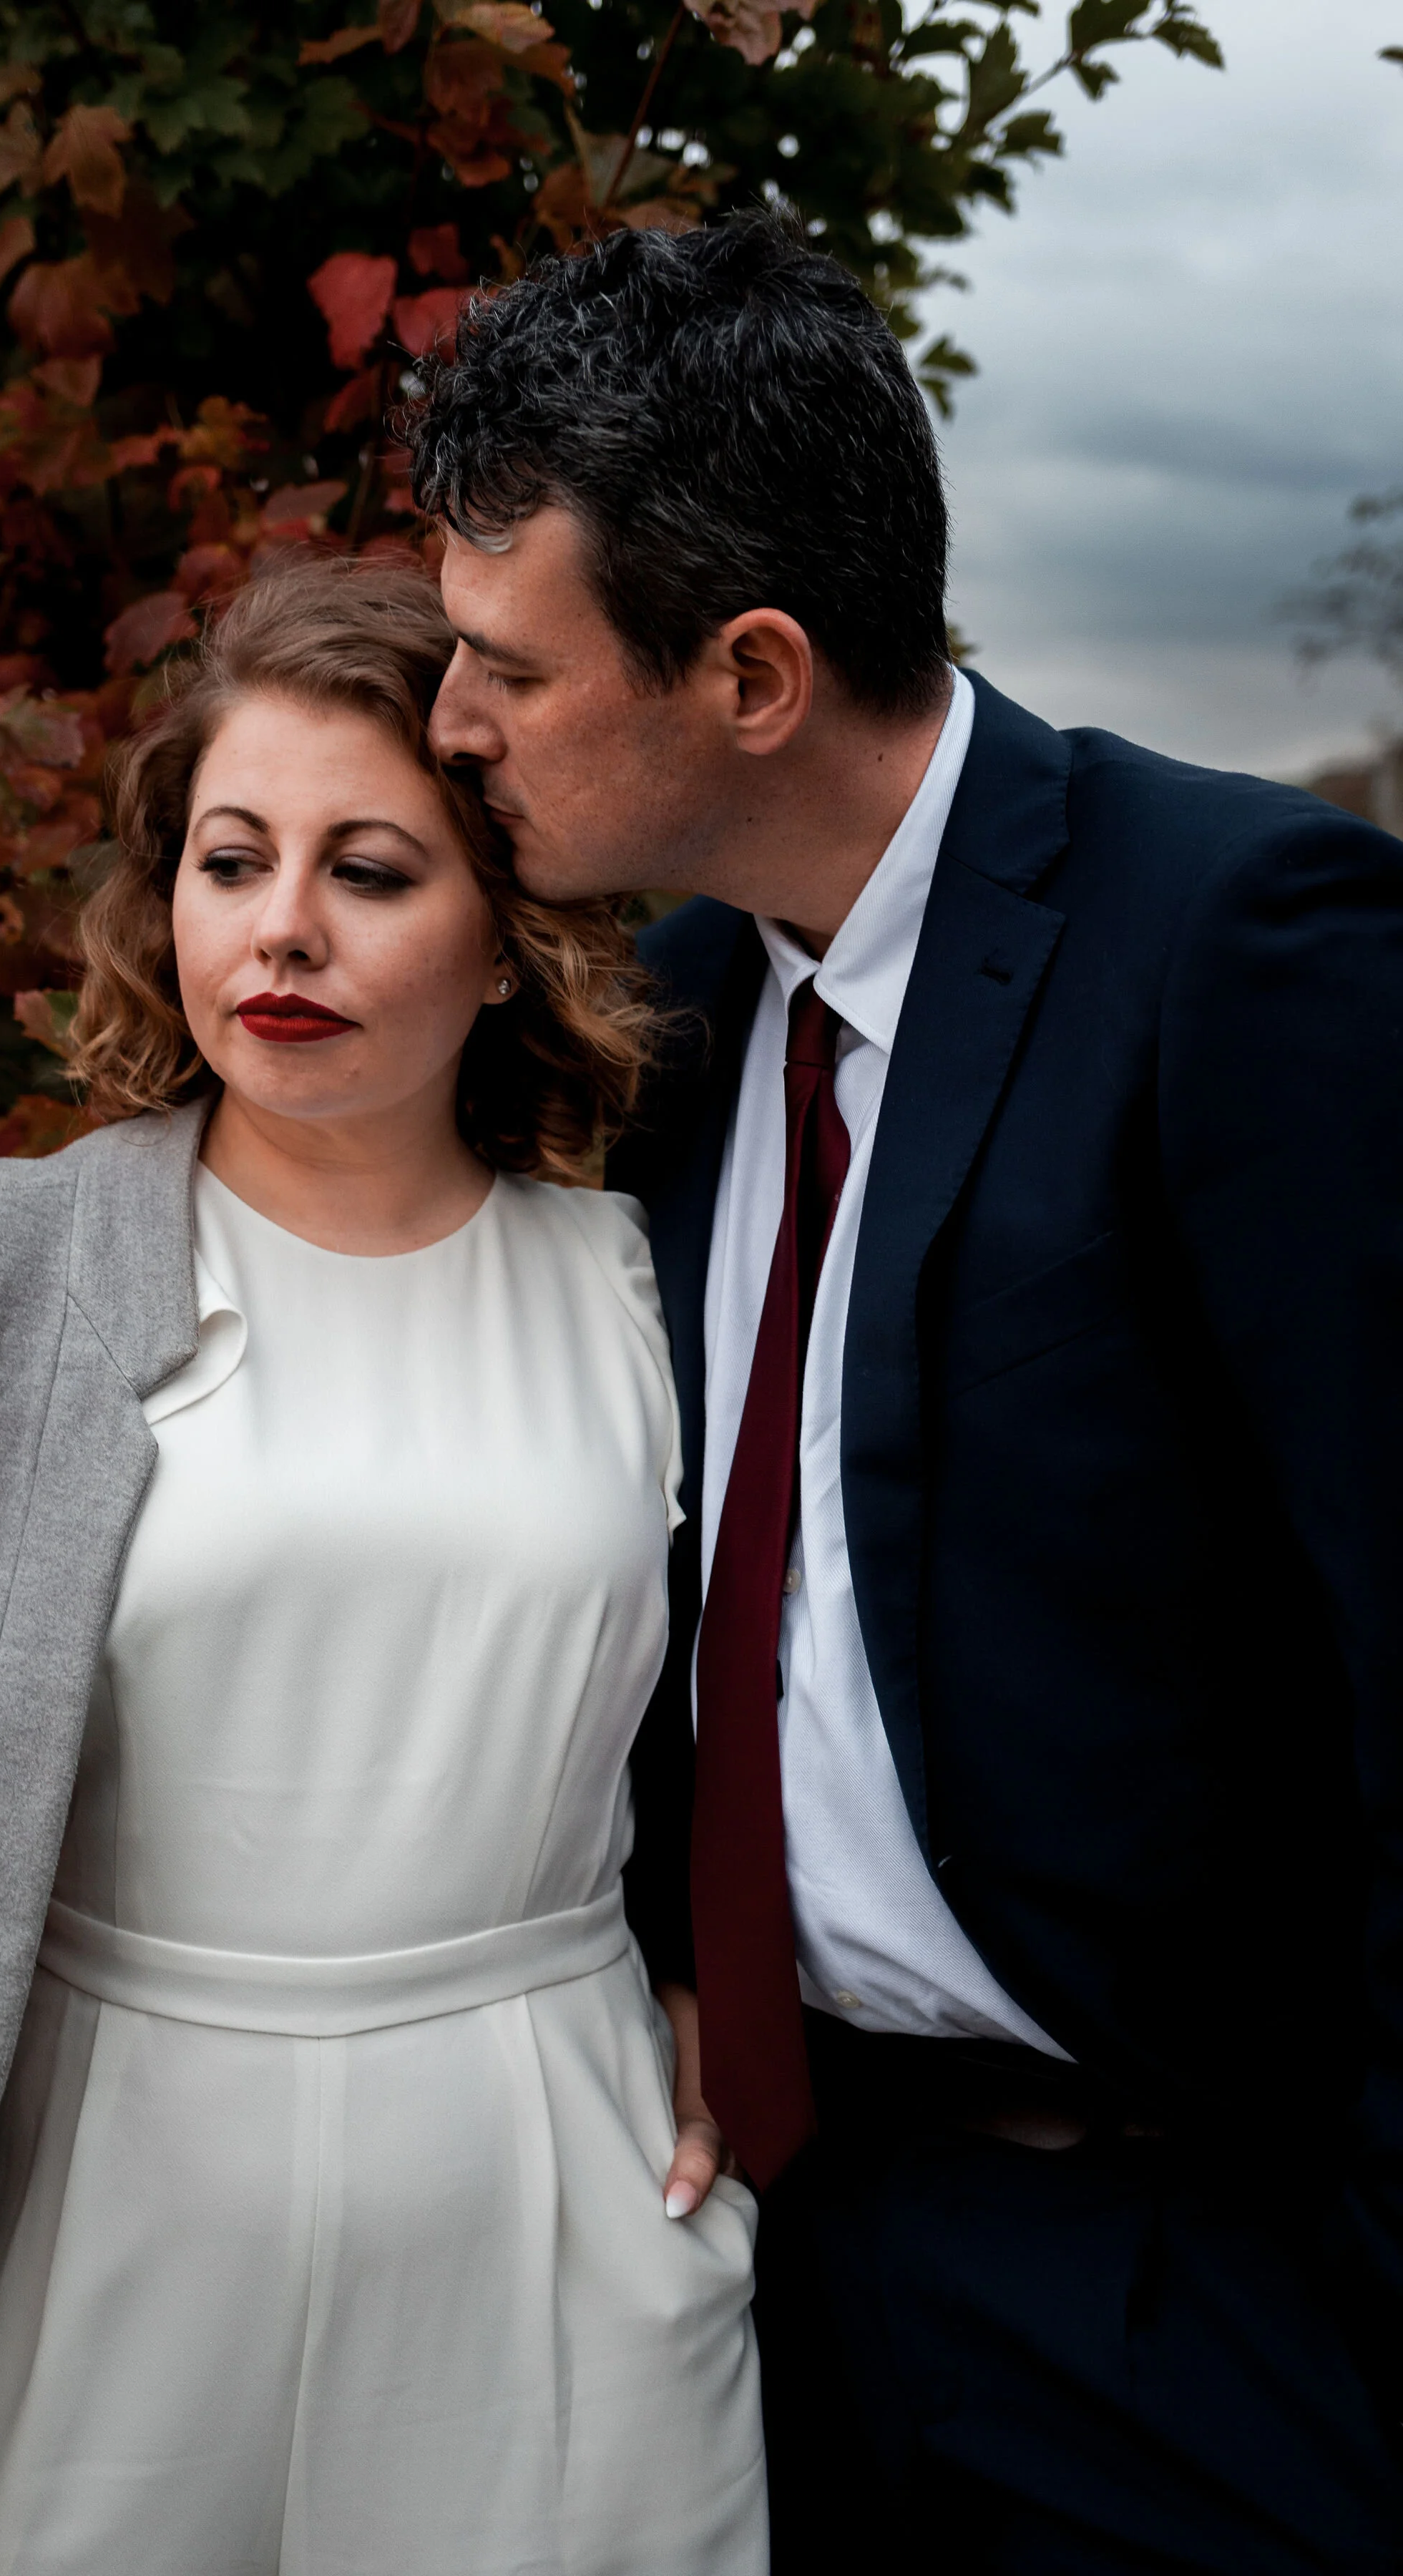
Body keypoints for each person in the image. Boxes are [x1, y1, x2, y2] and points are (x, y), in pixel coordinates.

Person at [414, 212, 1403, 2574]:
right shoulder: (667, 1016)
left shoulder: (1244, 949)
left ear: (750, 672)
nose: (448, 726)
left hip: (1182, 2295)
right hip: (765, 2262)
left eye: (502, 668)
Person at [0, 553, 767, 2576]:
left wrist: (719, 1980)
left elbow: (762, 1707)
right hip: (105, 2211)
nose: (282, 930)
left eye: (371, 872)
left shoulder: (645, 1284)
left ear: (506, 936)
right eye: (229, 859)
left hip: (554, 2188)